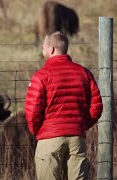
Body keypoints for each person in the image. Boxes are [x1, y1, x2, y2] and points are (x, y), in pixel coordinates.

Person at [25, 31, 103, 180]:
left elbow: (33, 109)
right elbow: (96, 105)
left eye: (44, 47)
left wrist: (37, 130)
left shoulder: (41, 75)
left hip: (49, 137)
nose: (42, 51)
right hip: (76, 138)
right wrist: (81, 125)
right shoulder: (83, 73)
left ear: (52, 49)